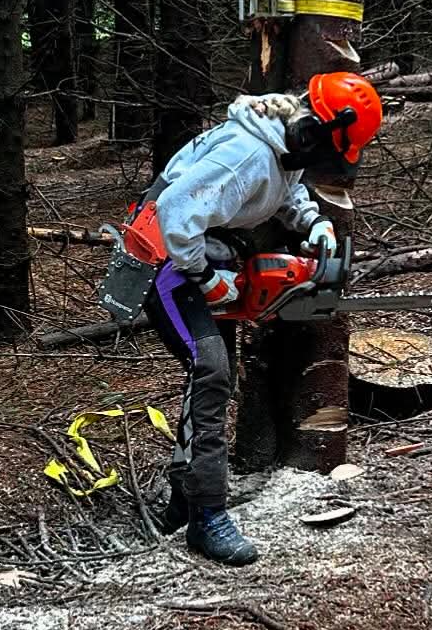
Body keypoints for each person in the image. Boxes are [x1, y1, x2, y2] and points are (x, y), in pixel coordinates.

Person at [116, 72, 382, 566]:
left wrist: (314, 223)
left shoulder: (284, 142)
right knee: (211, 371)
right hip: (164, 258)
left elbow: (285, 190)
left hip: (201, 250)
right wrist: (206, 278)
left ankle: (183, 500)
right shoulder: (248, 152)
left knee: (210, 380)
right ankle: (207, 516)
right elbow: (175, 211)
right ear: (315, 131)